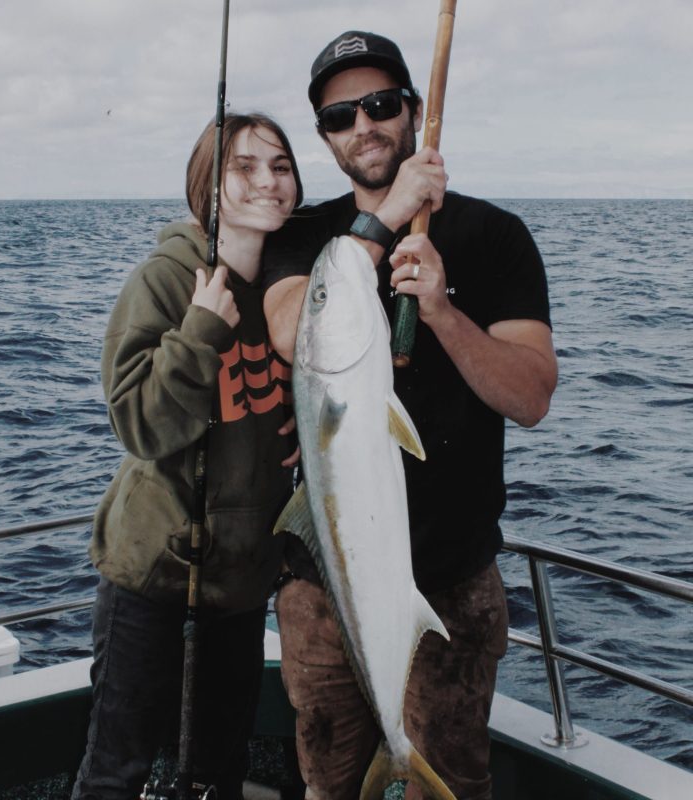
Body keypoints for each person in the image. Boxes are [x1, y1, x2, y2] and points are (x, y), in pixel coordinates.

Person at [263, 31, 558, 800]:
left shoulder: (495, 238)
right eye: (339, 116)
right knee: (328, 787)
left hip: (453, 582)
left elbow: (532, 397)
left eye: (380, 104)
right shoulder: (304, 237)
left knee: (447, 789)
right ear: (325, 136)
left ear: (414, 111)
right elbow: (294, 330)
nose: (362, 126)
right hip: (322, 588)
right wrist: (388, 217)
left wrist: (442, 314)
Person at [71, 112, 303, 800]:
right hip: (154, 573)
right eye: (244, 166)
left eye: (281, 166)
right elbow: (138, 424)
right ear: (207, 184)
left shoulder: (291, 292)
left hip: (241, 584)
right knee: (115, 773)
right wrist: (200, 330)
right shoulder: (166, 280)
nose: (268, 180)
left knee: (216, 775)